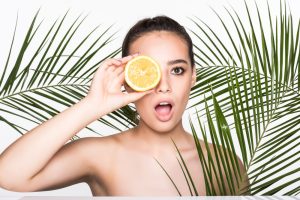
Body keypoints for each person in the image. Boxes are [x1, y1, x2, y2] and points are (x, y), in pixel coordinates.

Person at [0, 15, 249, 196]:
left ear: (193, 76)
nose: (163, 86)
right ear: (128, 80)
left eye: (177, 70)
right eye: (147, 70)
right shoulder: (100, 155)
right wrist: (91, 105)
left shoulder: (224, 164)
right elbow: (9, 176)